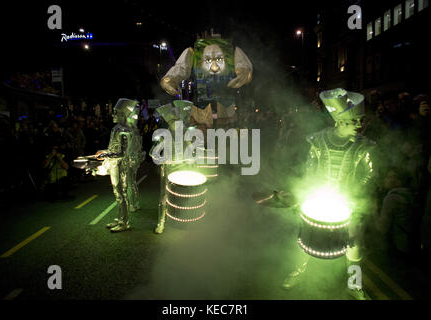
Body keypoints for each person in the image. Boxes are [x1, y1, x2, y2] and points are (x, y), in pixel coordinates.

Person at [254, 88, 376, 300]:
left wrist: (354, 192)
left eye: (360, 121)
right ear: (340, 121)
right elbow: (310, 168)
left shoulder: (364, 146)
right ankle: (298, 272)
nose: (359, 125)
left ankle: (354, 284)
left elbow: (368, 174)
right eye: (354, 121)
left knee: (354, 245)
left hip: (349, 203)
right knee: (305, 239)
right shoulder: (318, 141)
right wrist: (309, 190)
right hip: (319, 197)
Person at [160, 36, 252, 133]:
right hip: (201, 110)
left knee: (226, 137)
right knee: (202, 137)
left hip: (225, 109)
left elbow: (244, 67)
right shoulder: (193, 53)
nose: (214, 68)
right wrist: (170, 79)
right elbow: (181, 68)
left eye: (220, 59)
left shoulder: (232, 52)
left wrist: (244, 74)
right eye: (207, 60)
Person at [94, 99, 145, 233]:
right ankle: (120, 218)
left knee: (121, 193)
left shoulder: (124, 130)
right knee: (117, 193)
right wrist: (104, 152)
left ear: (123, 114)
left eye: (116, 112)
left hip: (120, 165)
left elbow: (122, 152)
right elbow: (113, 148)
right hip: (114, 164)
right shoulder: (116, 128)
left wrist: (106, 155)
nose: (113, 114)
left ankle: (125, 222)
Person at [374, 166, 416, 257]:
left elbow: (382, 228)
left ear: (398, 181)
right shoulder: (409, 194)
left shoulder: (392, 198)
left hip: (398, 248)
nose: (385, 179)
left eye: (389, 177)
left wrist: (375, 210)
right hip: (411, 245)